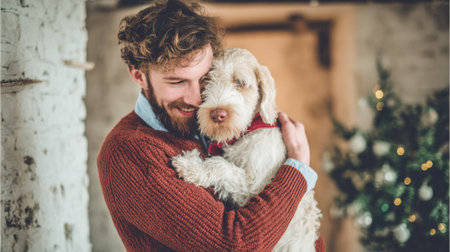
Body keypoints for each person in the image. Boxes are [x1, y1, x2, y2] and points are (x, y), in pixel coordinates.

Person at [97, 0, 325, 251]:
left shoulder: (209, 126)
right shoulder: (128, 151)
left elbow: (295, 226)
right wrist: (298, 167)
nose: (196, 99)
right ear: (139, 76)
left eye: (205, 79)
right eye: (177, 82)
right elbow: (235, 245)